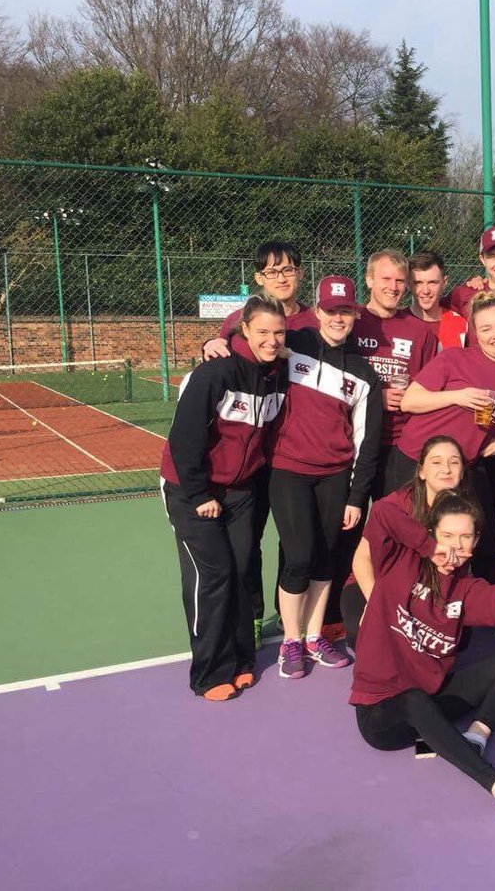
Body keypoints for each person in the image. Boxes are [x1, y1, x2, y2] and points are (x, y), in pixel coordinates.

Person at [350, 492, 495, 838]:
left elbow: (489, 604)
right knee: (413, 699)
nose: (454, 547)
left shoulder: (465, 588)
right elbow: (383, 514)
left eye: (465, 537)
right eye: (447, 536)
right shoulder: (397, 561)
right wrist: (427, 546)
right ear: (431, 533)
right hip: (383, 712)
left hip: (432, 697)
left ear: (476, 542)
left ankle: (472, 738)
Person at [160, 295, 288, 701]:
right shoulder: (214, 373)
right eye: (263, 331)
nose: (271, 340)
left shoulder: (276, 374)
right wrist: (200, 494)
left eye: (279, 332)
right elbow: (184, 438)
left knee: (242, 570)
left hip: (240, 491)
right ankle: (209, 672)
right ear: (244, 330)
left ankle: (241, 660)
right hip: (191, 490)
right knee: (212, 576)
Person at [199, 241, 318, 648]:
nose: (281, 277)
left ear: (300, 272)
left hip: (295, 455)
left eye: (288, 269)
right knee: (247, 543)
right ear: (258, 278)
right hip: (251, 457)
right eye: (272, 271)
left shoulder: (314, 321)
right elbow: (221, 355)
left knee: (295, 542)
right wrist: (209, 344)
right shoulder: (240, 318)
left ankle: (291, 617)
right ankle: (249, 616)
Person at [269, 275, 383, 680]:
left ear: (355, 315)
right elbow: (252, 337)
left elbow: (367, 441)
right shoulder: (293, 344)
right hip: (289, 471)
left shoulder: (364, 373)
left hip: (335, 477)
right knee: (299, 557)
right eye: (331, 310)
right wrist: (218, 340)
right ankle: (291, 640)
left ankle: (315, 637)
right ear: (317, 311)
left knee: (326, 559)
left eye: (345, 311)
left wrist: (356, 496)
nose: (338, 318)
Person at [398, 292, 495, 582]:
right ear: (476, 333)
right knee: (413, 540)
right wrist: (458, 396)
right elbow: (409, 401)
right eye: (486, 328)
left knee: (468, 542)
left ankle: (476, 602)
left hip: (460, 470)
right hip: (416, 461)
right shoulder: (455, 357)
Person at [343, 435, 469, 647]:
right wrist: (377, 604)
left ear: (463, 470)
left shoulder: (465, 511)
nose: (446, 469)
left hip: (424, 587)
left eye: (454, 462)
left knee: (457, 636)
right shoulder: (396, 505)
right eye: (436, 462)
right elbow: (362, 559)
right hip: (377, 582)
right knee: (366, 635)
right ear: (421, 471)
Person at [348, 249, 439, 498]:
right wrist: (376, 397)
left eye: (400, 280)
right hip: (353, 439)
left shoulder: (420, 332)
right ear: (369, 280)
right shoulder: (350, 321)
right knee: (348, 517)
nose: (393, 287)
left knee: (395, 514)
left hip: (399, 443)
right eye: (386, 279)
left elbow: (429, 389)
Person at [408, 250, 467, 350]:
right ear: (408, 284)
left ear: (444, 283)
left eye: (432, 282)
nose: (426, 291)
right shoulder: (399, 321)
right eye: (418, 283)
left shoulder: (459, 323)